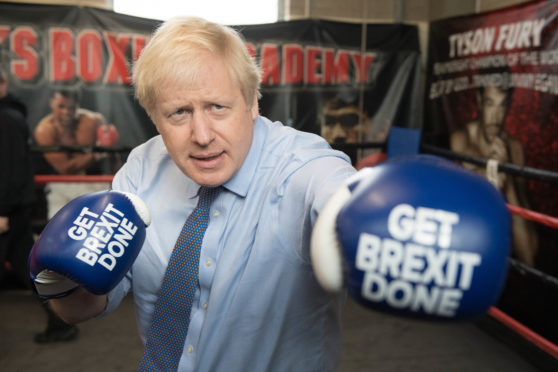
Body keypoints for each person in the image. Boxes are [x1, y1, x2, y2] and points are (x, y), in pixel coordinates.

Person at [44, 17, 356, 371]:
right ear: (154, 117)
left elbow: (337, 192)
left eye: (217, 107)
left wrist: (370, 214)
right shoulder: (141, 170)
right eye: (179, 113)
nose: (203, 135)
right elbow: (79, 309)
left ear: (253, 101)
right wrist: (61, 283)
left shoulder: (301, 169)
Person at [450, 82, 538, 267]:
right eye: (490, 103)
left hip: (501, 256)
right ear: (479, 100)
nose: (496, 117)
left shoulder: (514, 149)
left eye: (502, 105)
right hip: (466, 250)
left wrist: (508, 181)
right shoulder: (461, 141)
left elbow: (528, 254)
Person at [33, 88, 112, 219]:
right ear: (51, 103)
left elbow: (113, 158)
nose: (66, 112)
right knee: (58, 226)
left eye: (71, 107)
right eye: (61, 106)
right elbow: (64, 168)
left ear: (78, 105)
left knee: (98, 226)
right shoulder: (45, 129)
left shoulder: (93, 121)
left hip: (94, 181)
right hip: (62, 184)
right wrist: (98, 153)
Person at [0, 65, 35, 290]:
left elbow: (10, 170)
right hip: (14, 206)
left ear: (3, 84)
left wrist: (2, 211)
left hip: (10, 209)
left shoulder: (7, 119)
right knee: (26, 265)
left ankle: (62, 320)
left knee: (26, 265)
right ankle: (60, 321)